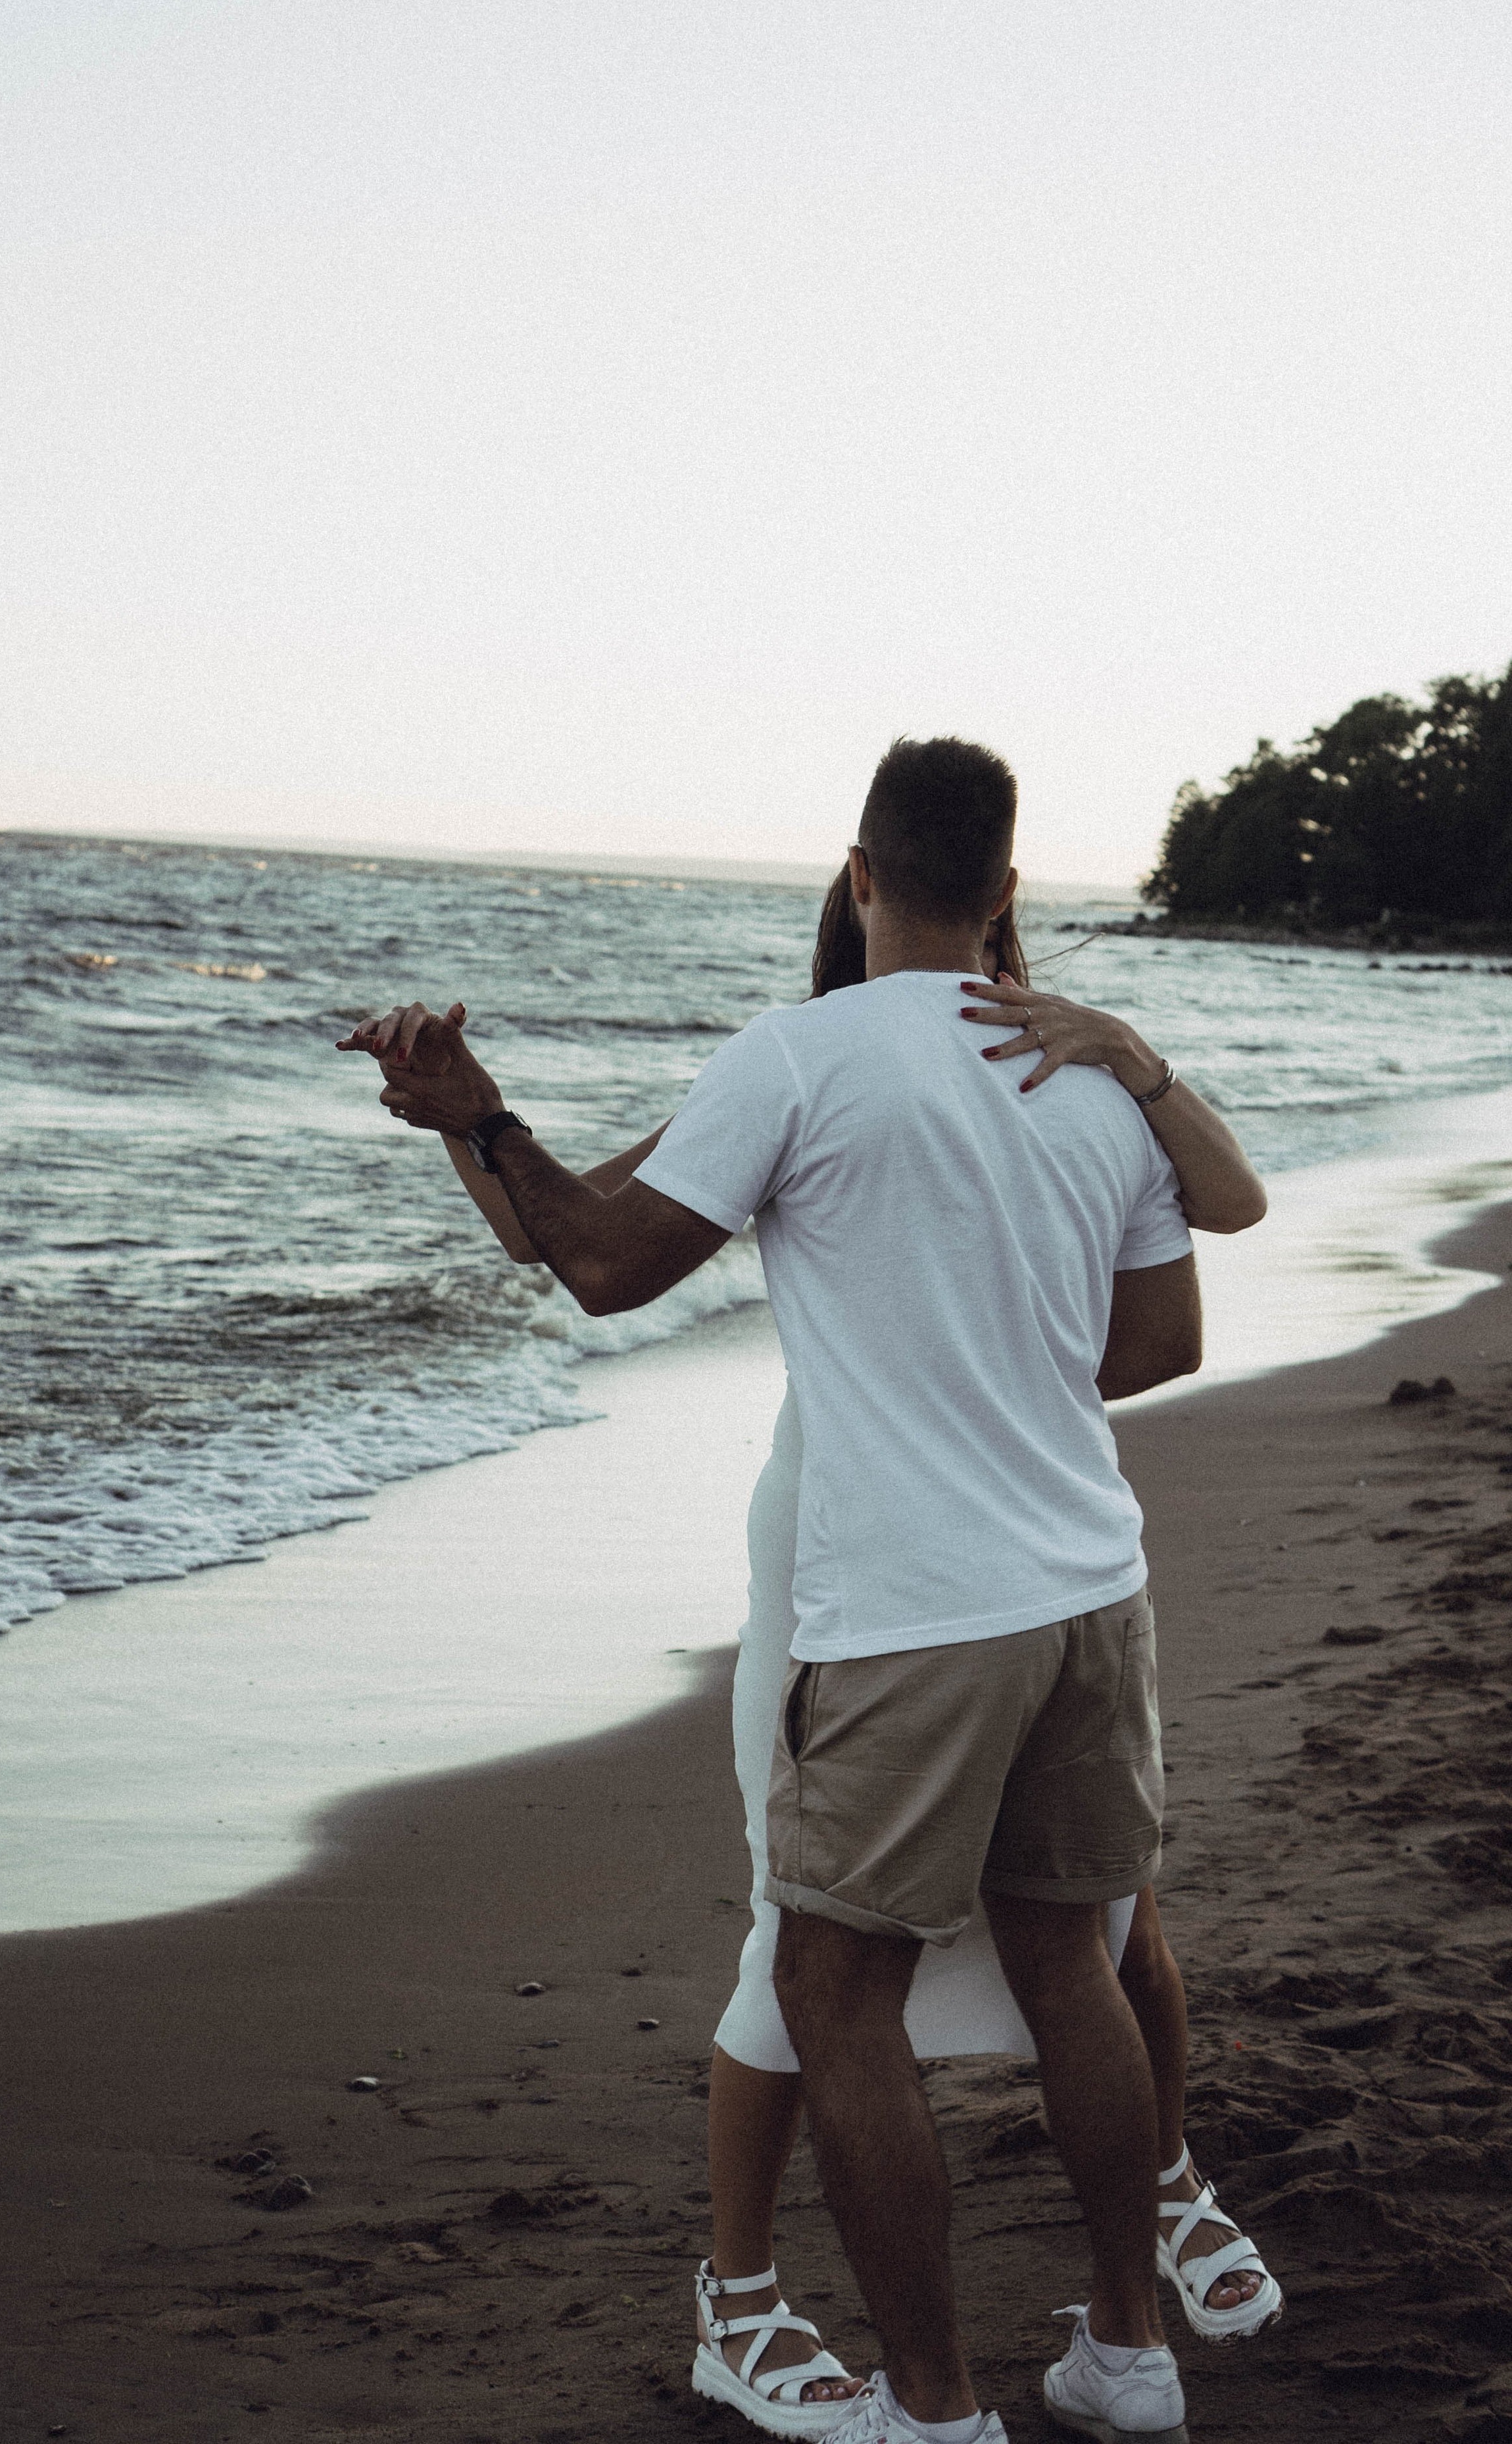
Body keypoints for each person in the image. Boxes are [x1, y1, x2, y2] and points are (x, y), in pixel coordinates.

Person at [337, 739, 1265, 2442]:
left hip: (915, 1612)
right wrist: (997, 1365)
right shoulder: (1086, 1075)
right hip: (1092, 1592)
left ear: (858, 873)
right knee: (1078, 1965)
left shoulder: (800, 1060)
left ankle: (934, 2408)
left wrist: (479, 1118)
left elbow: (606, 1264)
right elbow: (1164, 1344)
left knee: (837, 1994)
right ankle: (1130, 2356)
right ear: (1004, 885)